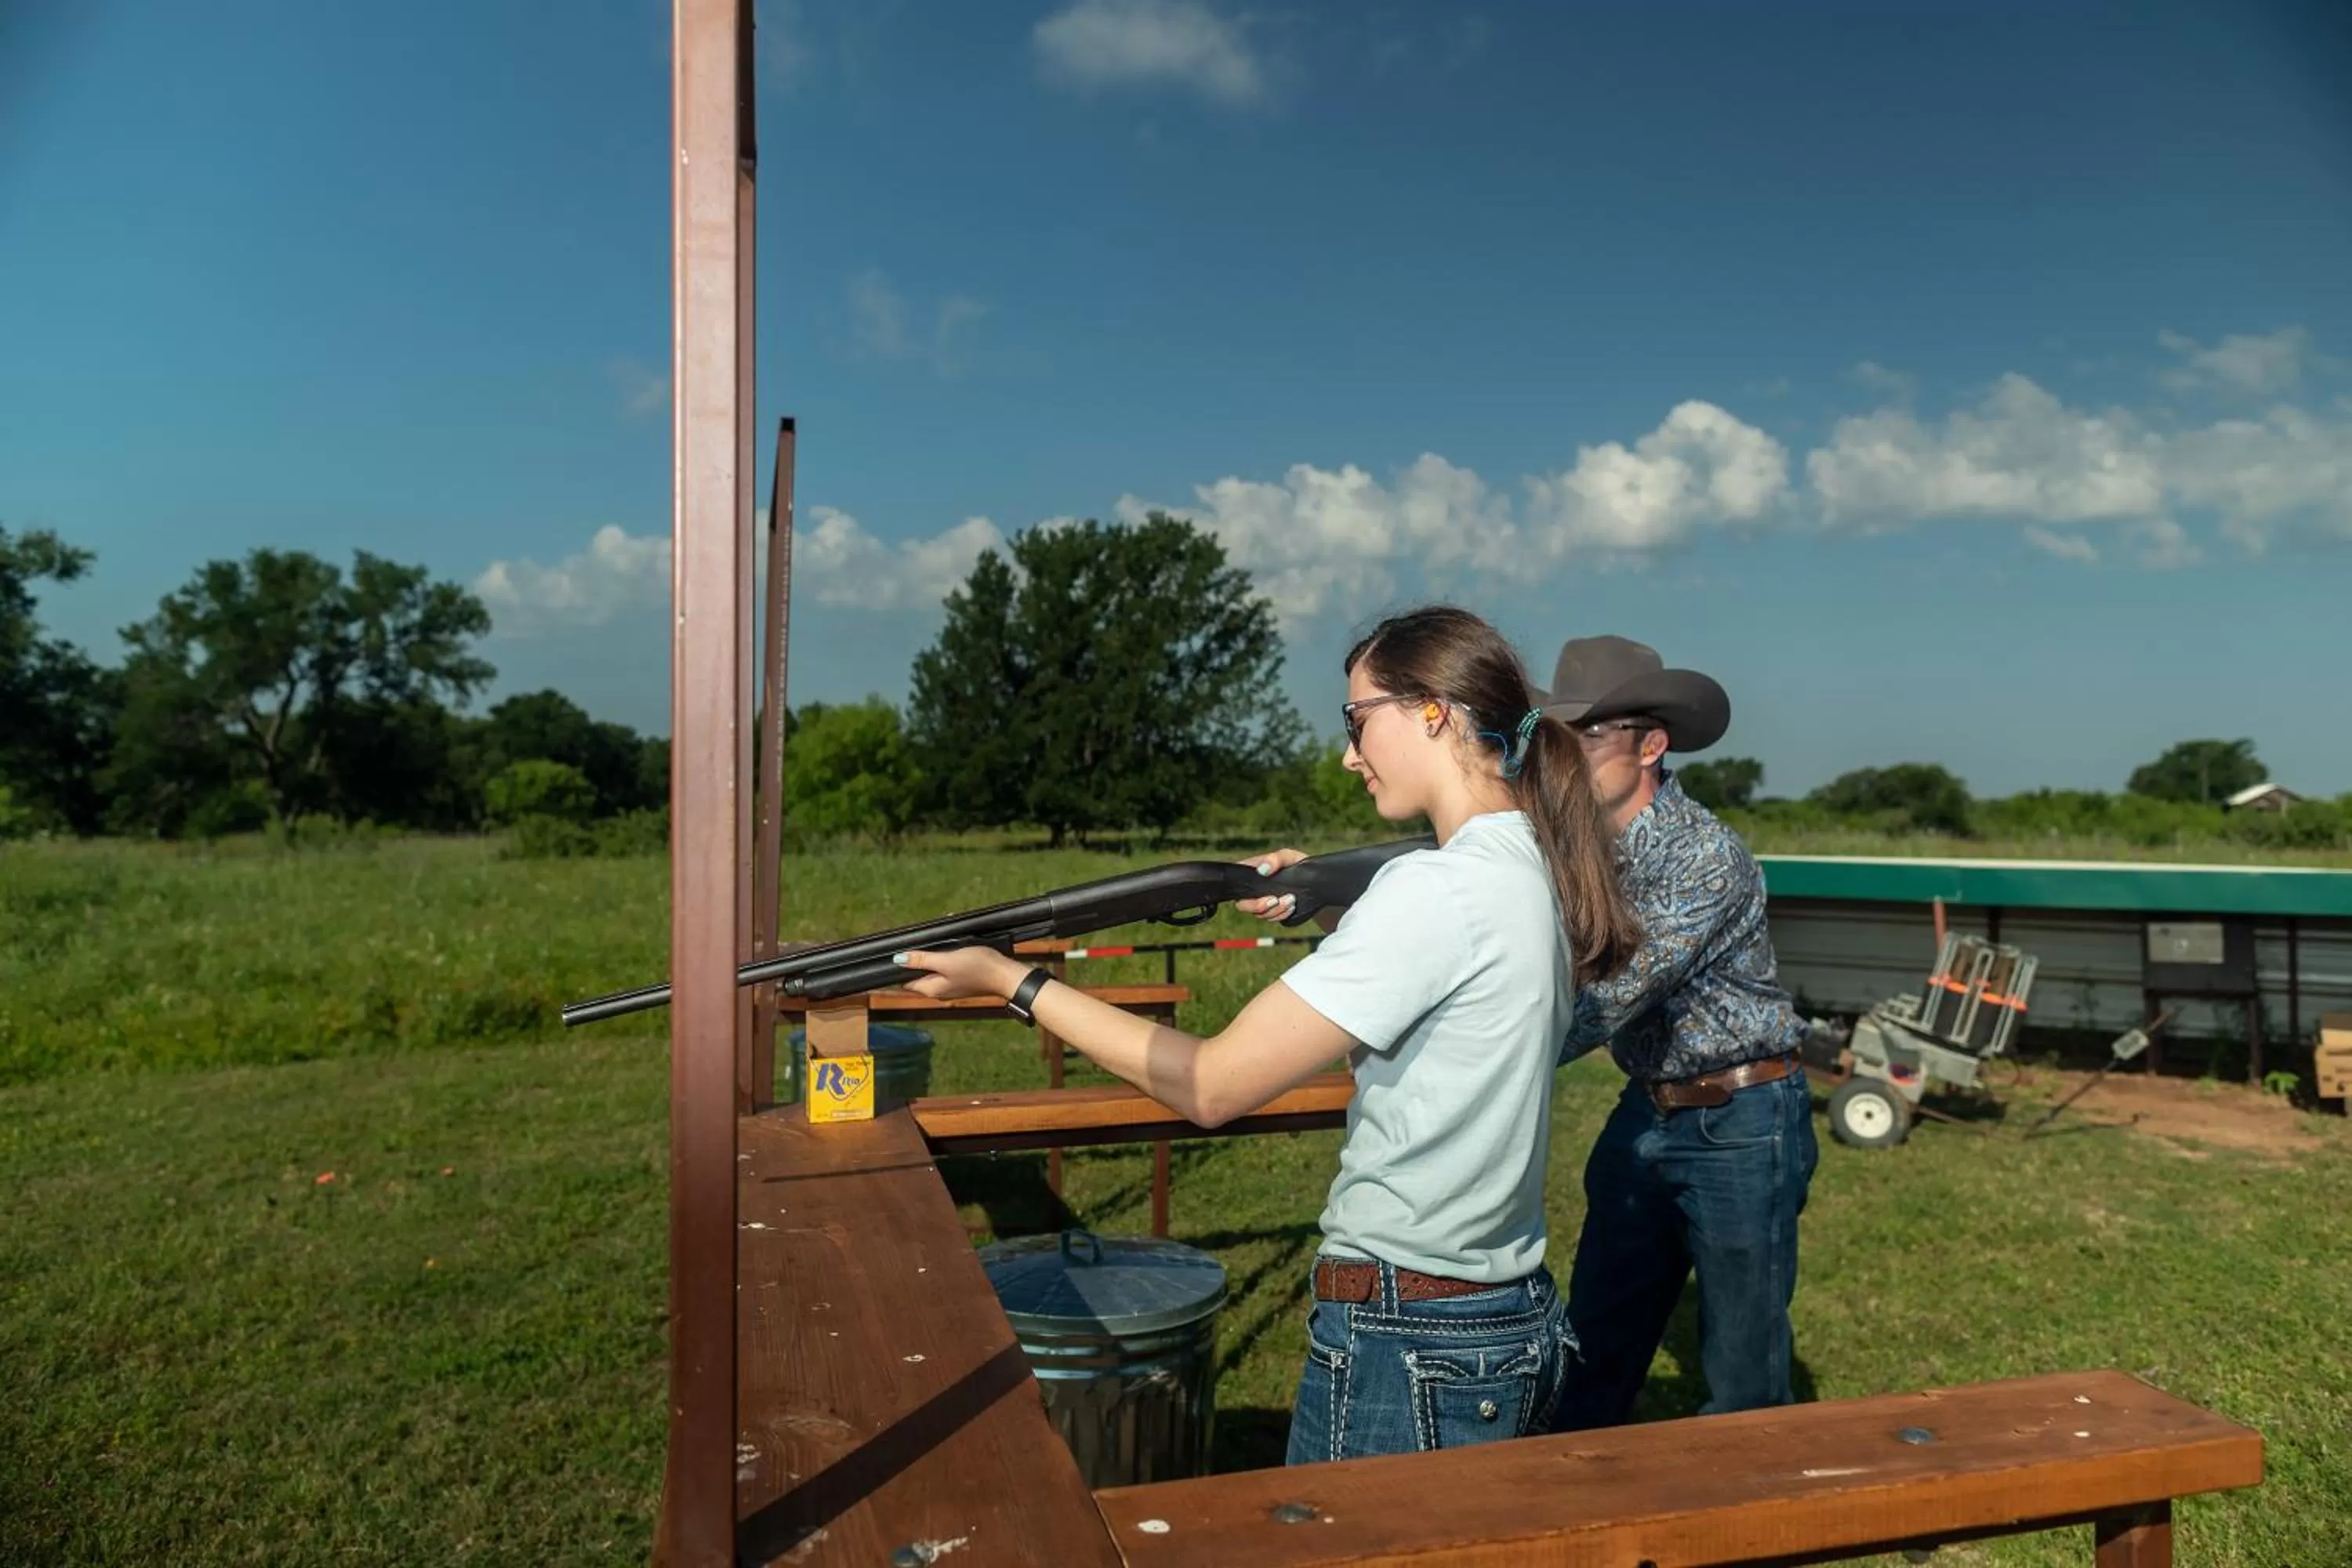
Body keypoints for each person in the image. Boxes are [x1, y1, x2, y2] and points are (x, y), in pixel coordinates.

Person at [893, 605, 1641, 1465]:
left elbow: (1211, 1084)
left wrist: (1013, 983)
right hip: (1501, 1314)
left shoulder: (1433, 891)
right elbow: (1442, 975)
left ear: (1432, 709)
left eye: (1357, 720)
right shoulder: (1528, 863)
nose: (1348, 754)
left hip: (1410, 1332)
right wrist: (1322, 897)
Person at [1529, 633, 1820, 1430]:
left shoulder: (1704, 855)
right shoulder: (1573, 850)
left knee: (1744, 1370)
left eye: (1591, 733)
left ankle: (1752, 1518)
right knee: (1593, 1337)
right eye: (1561, 735)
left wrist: (1479, 1058)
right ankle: (1579, 1510)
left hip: (1743, 1113)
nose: (1571, 753)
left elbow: (1608, 998)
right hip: (1649, 1106)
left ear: (1651, 744)